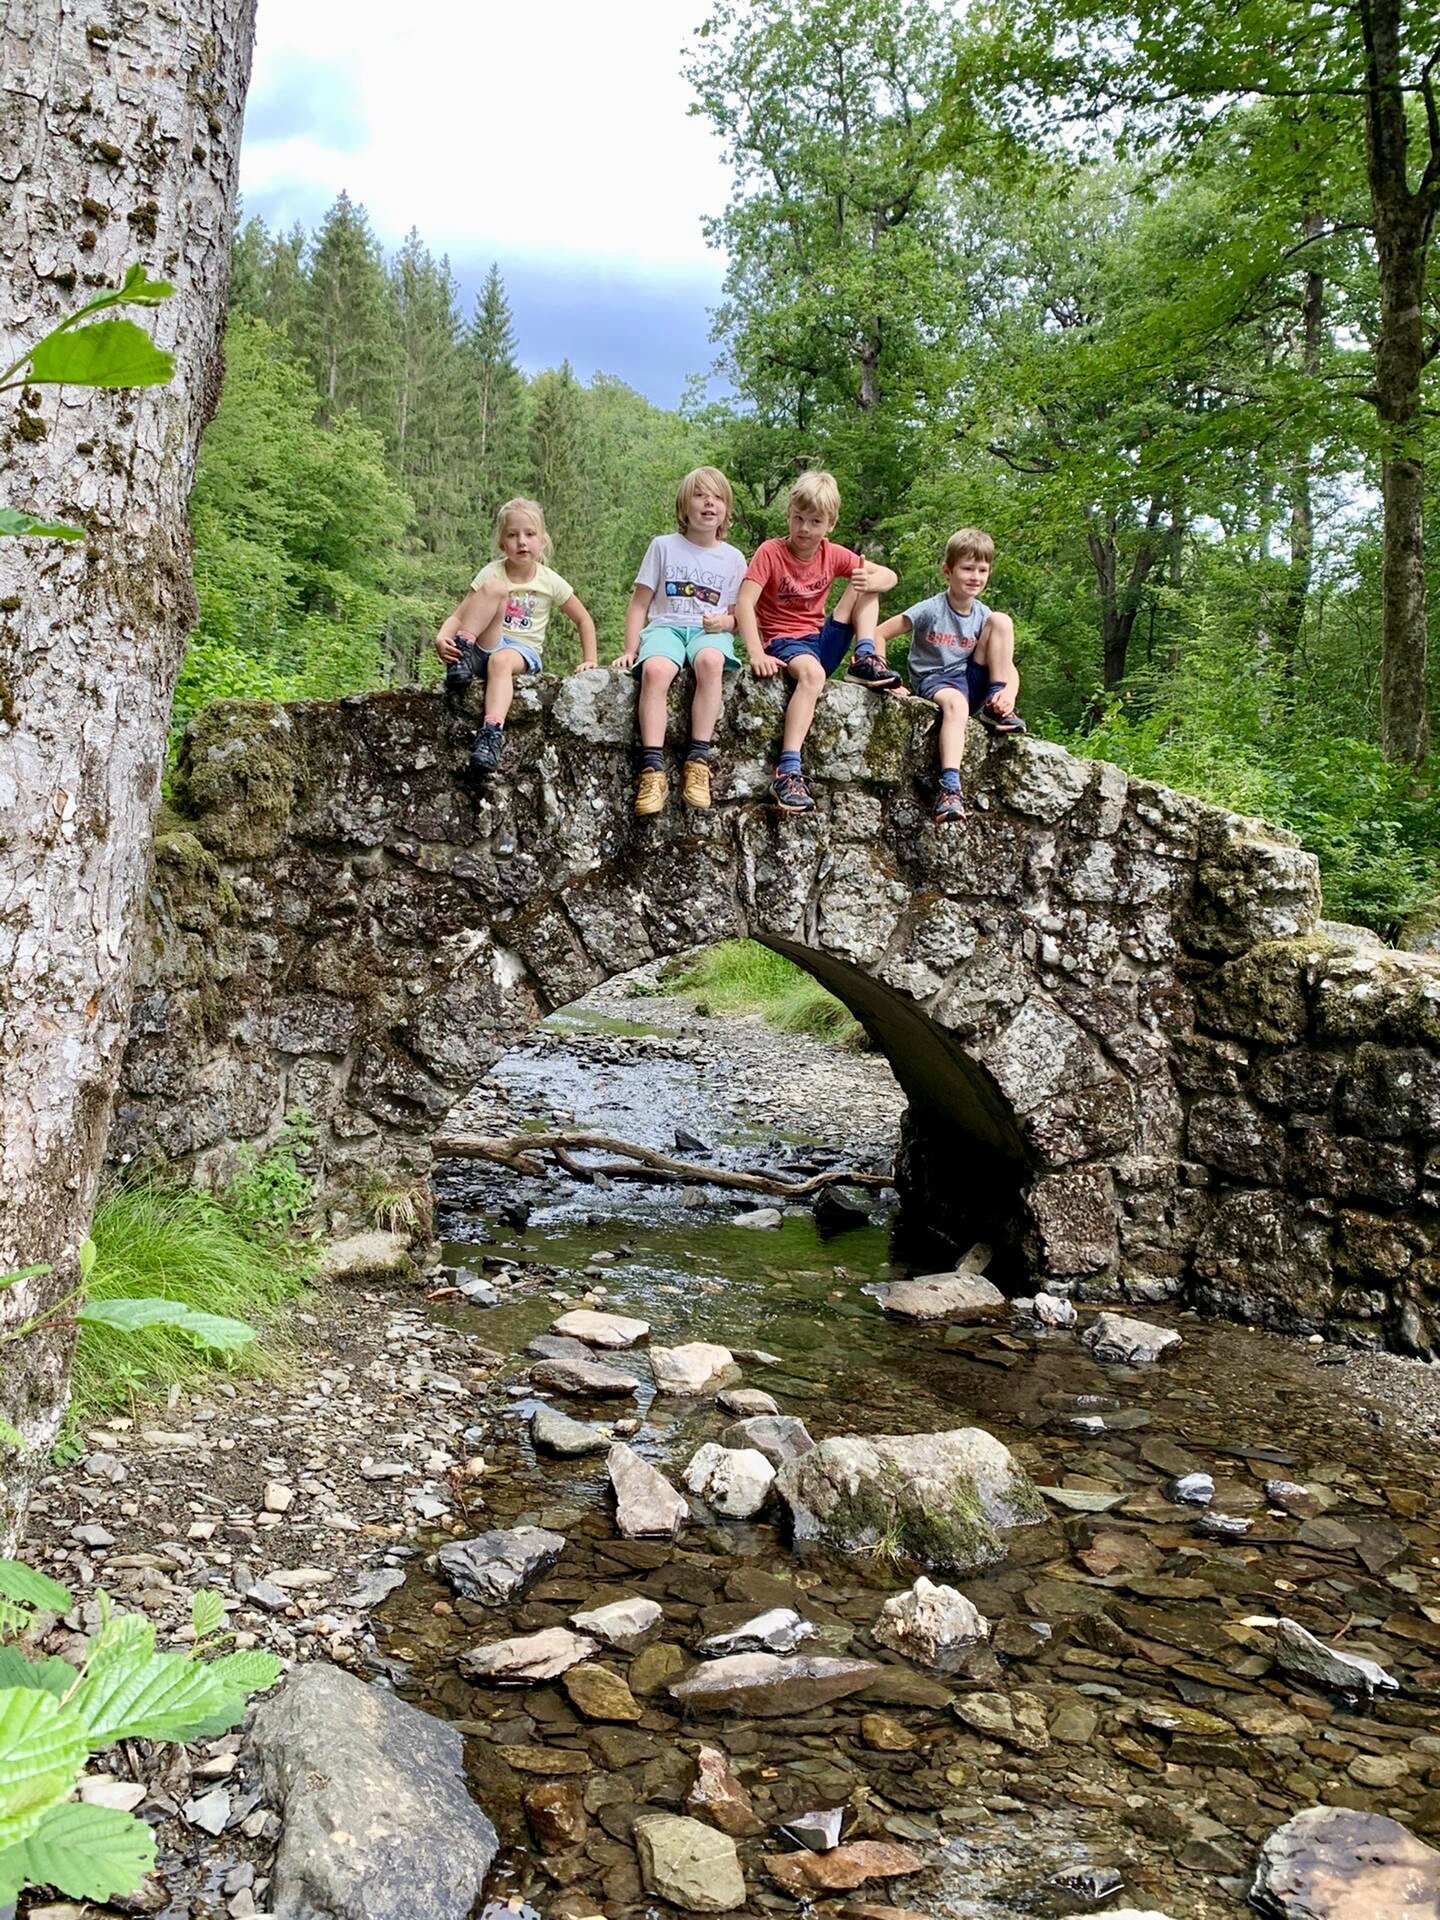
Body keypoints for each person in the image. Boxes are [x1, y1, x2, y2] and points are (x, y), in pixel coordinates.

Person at [733, 469, 900, 814]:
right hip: (784, 641)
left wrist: (872, 579)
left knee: (865, 580)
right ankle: (788, 770)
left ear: (830, 525)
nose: (804, 529)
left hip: (819, 640)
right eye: (798, 518)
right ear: (788, 515)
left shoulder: (831, 553)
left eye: (815, 521)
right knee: (812, 675)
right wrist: (755, 652)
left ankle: (864, 657)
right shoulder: (771, 552)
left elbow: (889, 575)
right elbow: (746, 602)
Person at [615, 467, 747, 815]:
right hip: (666, 627)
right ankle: (652, 770)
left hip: (709, 633)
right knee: (656, 670)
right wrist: (630, 649)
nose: (709, 504)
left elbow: (738, 618)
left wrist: (725, 622)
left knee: (710, 662)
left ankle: (698, 762)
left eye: (718, 498)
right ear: (683, 506)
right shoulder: (663, 547)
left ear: (726, 510)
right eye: (700, 495)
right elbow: (639, 604)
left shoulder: (733, 558)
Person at [434, 497, 597, 776]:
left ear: (542, 541)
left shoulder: (549, 580)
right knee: (494, 588)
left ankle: (491, 734)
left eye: (530, 534)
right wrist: (442, 639)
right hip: (485, 642)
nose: (522, 541)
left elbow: (583, 619)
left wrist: (590, 660)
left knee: (500, 662)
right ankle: (461, 652)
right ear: (502, 544)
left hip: (522, 652)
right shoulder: (493, 571)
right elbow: (461, 613)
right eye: (513, 535)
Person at [875, 526, 1027, 825]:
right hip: (935, 680)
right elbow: (880, 633)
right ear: (948, 571)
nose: (975, 577)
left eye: (982, 570)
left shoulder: (982, 615)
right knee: (956, 705)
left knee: (1002, 621)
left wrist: (1008, 693)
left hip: (971, 678)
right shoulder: (932, 609)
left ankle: (998, 711)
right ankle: (950, 788)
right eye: (967, 569)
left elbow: (1009, 665)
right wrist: (885, 678)